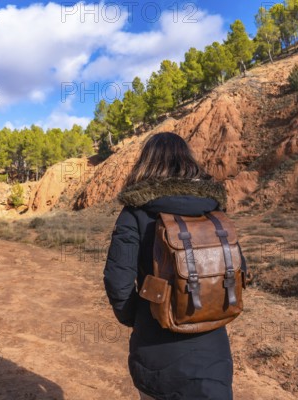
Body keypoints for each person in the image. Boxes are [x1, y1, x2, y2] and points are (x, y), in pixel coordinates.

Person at [104, 132, 244, 400]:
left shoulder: (136, 212)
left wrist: (137, 318)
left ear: (147, 164)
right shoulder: (214, 211)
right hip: (212, 355)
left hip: (157, 350)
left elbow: (117, 281)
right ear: (188, 161)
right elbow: (239, 270)